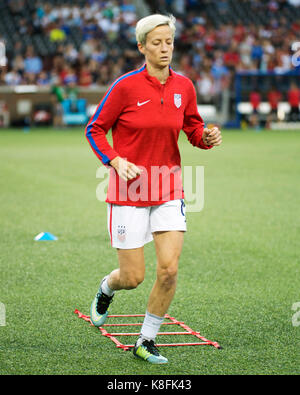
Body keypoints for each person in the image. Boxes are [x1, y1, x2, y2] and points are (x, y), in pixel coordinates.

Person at [85, 14, 222, 364]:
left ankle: (146, 340)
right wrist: (115, 161)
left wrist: (205, 137)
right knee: (132, 277)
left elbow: (193, 129)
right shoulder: (125, 87)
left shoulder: (184, 87)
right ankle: (106, 288)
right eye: (157, 43)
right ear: (141, 46)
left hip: (168, 188)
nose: (164, 49)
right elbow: (95, 130)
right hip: (128, 192)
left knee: (169, 270)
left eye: (169, 42)